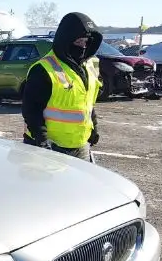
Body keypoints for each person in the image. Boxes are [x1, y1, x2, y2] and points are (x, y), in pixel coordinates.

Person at [22, 12, 103, 161]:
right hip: (49, 147)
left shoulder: (88, 67)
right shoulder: (43, 69)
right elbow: (31, 109)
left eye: (86, 42)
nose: (83, 47)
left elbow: (87, 103)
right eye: (79, 41)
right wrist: (42, 139)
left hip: (80, 145)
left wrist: (94, 127)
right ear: (66, 40)